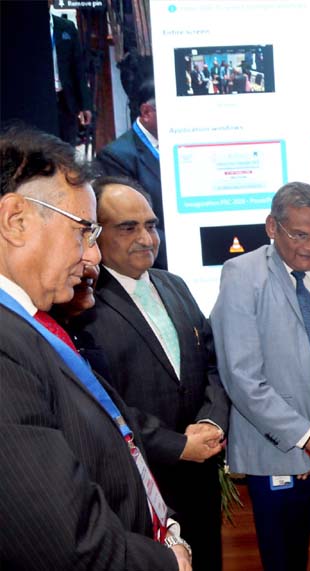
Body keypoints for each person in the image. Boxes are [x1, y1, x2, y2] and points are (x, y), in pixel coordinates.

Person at [0, 127, 188, 570]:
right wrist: (167, 563)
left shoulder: (31, 325)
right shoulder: (6, 347)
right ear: (16, 221)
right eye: (84, 231)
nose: (94, 256)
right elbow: (63, 539)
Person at [70, 176, 230, 570]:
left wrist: (211, 422)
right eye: (128, 227)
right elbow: (101, 400)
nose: (146, 238)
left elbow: (212, 364)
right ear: (95, 233)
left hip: (201, 478)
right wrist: (177, 445)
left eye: (151, 225)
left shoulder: (174, 285)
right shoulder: (80, 300)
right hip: (139, 486)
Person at [211, 181, 310, 571]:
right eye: (300, 235)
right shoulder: (242, 275)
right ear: (272, 227)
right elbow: (242, 377)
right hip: (278, 456)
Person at [94, 80, 168, 269]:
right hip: (156, 261)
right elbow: (126, 223)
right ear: (147, 112)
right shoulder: (116, 156)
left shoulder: (183, 143)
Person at [51, 9, 92, 145]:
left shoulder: (66, 26)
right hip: (41, 99)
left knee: (67, 146)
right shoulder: (27, 28)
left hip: (66, 98)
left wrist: (85, 104)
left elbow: (78, 68)